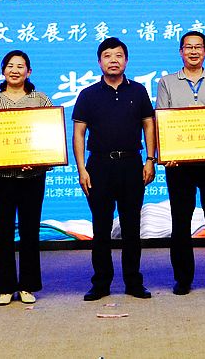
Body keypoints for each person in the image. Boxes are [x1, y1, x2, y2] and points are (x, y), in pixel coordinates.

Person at [72, 37, 157, 301]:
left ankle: (133, 282)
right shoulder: (88, 94)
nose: (113, 60)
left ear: (126, 60)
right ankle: (101, 283)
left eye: (118, 55)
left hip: (132, 164)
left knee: (132, 227)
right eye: (107, 56)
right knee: (101, 227)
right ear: (99, 62)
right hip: (98, 166)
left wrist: (150, 159)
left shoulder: (138, 91)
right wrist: (81, 169)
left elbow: (149, 124)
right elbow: (78, 133)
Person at [156, 31, 205, 295]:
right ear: (181, 52)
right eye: (188, 47)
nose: (193, 51)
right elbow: (162, 119)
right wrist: (166, 153)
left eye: (198, 47)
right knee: (181, 221)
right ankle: (183, 279)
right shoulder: (167, 82)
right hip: (180, 164)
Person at [0, 50, 52, 306]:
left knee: (30, 231)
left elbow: (50, 136)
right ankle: (5, 287)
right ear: (3, 71)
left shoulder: (41, 99)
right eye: (10, 66)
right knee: (3, 231)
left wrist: (39, 158)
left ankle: (28, 285)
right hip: (1, 177)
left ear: (29, 72)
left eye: (20, 66)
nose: (15, 70)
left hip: (33, 176)